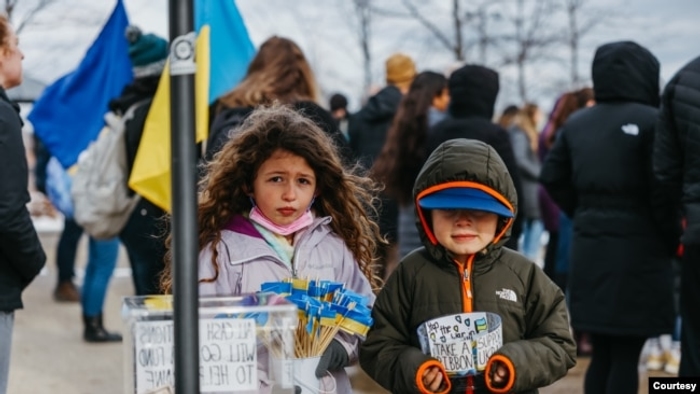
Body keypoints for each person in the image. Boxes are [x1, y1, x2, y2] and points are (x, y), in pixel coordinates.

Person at [161, 104, 381, 394]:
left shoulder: (334, 248)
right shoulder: (221, 252)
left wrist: (338, 349)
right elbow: (202, 331)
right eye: (276, 179)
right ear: (249, 185)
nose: (290, 194)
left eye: (302, 181)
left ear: (317, 188)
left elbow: (364, 313)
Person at [360, 139, 576, 393]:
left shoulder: (523, 274)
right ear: (427, 214)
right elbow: (378, 347)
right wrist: (416, 370)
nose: (463, 221)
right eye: (449, 209)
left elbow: (559, 343)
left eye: (479, 210)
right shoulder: (410, 274)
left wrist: (515, 364)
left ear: (502, 216)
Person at [540, 41, 676, 394]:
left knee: (601, 352)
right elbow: (663, 184)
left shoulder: (577, 123)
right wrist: (670, 234)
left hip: (590, 246)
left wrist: (582, 210)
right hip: (641, 250)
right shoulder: (653, 121)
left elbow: (552, 177)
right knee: (626, 355)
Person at [205, 36, 349, 164]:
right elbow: (349, 173)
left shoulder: (221, 108)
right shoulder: (313, 115)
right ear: (303, 74)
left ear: (255, 67)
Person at [426, 64, 523, 250]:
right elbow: (512, 186)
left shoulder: (436, 132)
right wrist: (513, 230)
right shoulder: (495, 135)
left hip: (442, 231)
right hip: (488, 231)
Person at [0, 15, 46, 394]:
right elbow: (7, 209)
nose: (22, 54)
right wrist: (34, 261)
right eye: (16, 46)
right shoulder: (2, 118)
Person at [348, 52, 417, 278]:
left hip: (366, 200)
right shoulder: (413, 115)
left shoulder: (359, 117)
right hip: (401, 201)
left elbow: (352, 158)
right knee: (399, 275)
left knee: (370, 271)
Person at [371, 71, 448, 267]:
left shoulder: (404, 123)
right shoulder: (439, 125)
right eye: (446, 94)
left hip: (407, 218)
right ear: (436, 95)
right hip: (432, 221)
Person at [653, 54, 700, 376]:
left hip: (698, 229)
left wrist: (675, 231)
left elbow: (665, 174)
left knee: (695, 345)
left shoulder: (684, 79)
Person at [116, 25, 169, 296]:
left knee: (145, 300)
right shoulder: (157, 112)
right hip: (155, 216)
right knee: (157, 306)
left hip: (135, 216)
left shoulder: (128, 105)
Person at [508, 103, 543, 262]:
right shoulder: (521, 135)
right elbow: (520, 159)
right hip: (528, 189)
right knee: (533, 230)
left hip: (529, 189)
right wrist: (540, 173)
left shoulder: (523, 133)